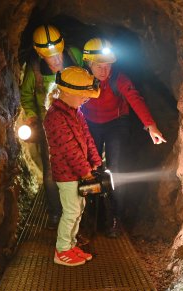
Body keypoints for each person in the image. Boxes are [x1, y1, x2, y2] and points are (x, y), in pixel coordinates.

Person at [81, 38, 166, 238]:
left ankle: (115, 219)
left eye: (108, 65)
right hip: (90, 123)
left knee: (116, 170)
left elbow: (135, 99)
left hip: (115, 124)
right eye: (99, 66)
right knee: (88, 168)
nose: (104, 70)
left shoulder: (119, 79)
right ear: (88, 64)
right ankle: (88, 216)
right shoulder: (81, 79)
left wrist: (151, 126)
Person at [20, 25, 83, 229]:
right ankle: (56, 212)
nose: (56, 60)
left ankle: (79, 211)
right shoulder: (36, 71)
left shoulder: (74, 56)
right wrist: (31, 116)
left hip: (76, 123)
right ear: (40, 55)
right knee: (50, 172)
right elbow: (26, 96)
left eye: (57, 54)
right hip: (50, 128)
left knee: (80, 167)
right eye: (50, 57)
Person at [43, 66, 102, 266]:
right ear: (67, 92)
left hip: (78, 173)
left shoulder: (76, 112)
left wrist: (96, 161)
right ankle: (62, 251)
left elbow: (87, 138)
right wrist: (85, 171)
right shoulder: (55, 116)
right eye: (82, 95)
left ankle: (71, 244)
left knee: (78, 208)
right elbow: (70, 150)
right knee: (71, 211)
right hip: (67, 175)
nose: (86, 99)